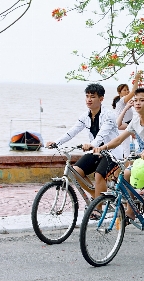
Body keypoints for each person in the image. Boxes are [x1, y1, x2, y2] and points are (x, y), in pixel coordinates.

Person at [94, 85, 144, 251]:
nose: (137, 103)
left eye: (142, 100)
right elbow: (118, 140)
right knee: (126, 174)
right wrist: (101, 148)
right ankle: (131, 210)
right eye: (136, 100)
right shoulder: (136, 120)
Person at [46, 83, 122, 212]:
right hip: (96, 151)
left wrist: (93, 145)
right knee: (75, 171)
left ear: (101, 99)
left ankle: (98, 208)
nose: (89, 99)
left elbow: (101, 134)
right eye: (87, 96)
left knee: (99, 175)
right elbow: (72, 132)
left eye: (92, 96)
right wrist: (56, 143)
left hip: (112, 153)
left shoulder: (108, 115)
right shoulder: (85, 116)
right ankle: (98, 197)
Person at [112, 77, 139, 157]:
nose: (127, 91)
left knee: (128, 150)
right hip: (121, 127)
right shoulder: (122, 100)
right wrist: (137, 79)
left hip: (126, 127)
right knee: (126, 150)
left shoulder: (125, 102)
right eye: (124, 90)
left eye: (128, 90)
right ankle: (125, 167)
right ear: (119, 93)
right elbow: (134, 91)